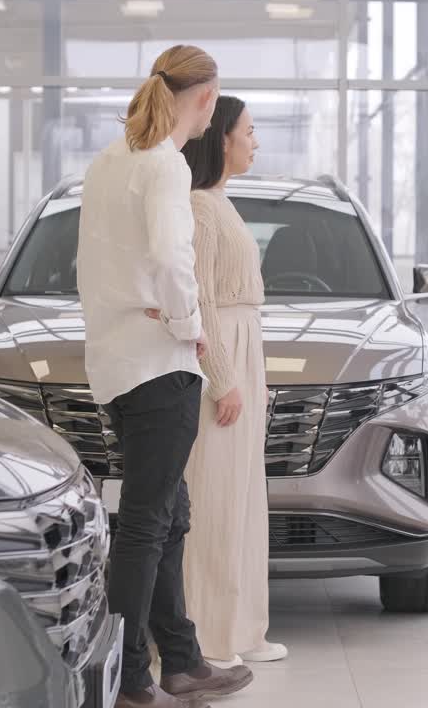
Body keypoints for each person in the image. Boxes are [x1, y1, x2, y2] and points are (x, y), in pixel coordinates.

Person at [77, 45, 254, 708]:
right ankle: (128, 677)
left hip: (118, 363)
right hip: (160, 364)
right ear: (205, 100)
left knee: (169, 515)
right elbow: (174, 259)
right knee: (148, 523)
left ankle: (181, 661)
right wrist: (189, 325)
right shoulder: (165, 165)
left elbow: (94, 267)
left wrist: (155, 311)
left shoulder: (108, 161)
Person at [161, 95, 287, 667]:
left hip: (244, 348)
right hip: (224, 356)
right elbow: (203, 299)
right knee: (213, 498)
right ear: (223, 139)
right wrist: (222, 379)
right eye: (249, 131)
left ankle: (240, 630)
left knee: (242, 498)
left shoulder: (221, 203)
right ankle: (207, 637)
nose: (255, 142)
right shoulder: (199, 207)